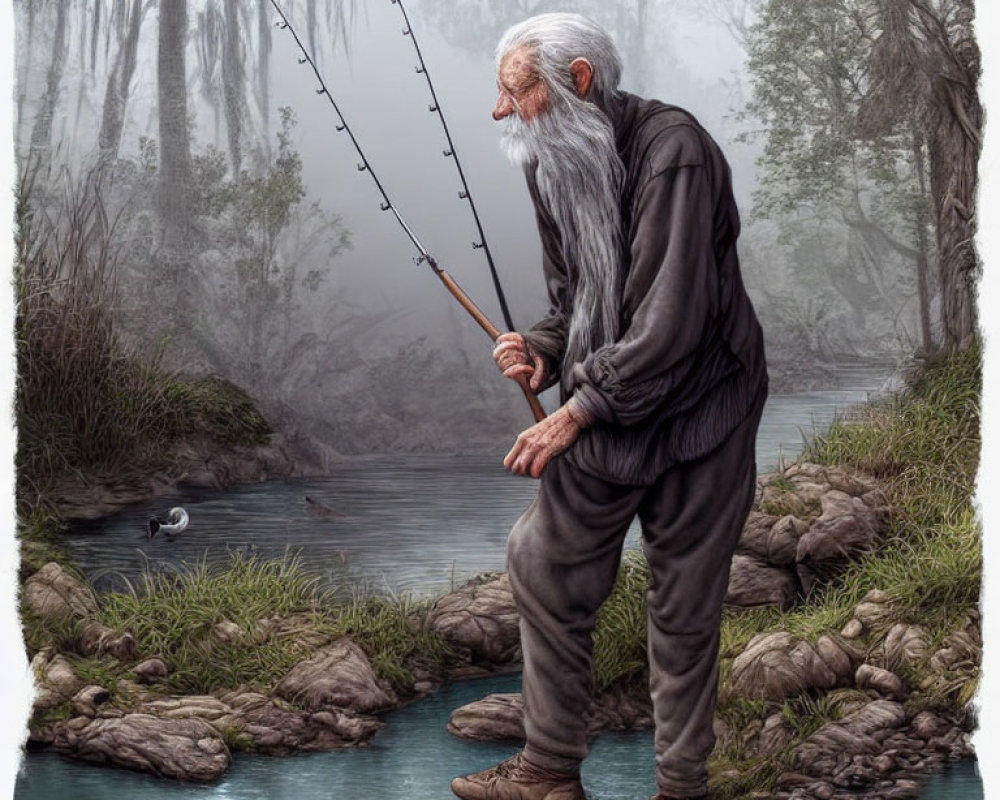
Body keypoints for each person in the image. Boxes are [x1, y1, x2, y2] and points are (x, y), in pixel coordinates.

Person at [450, 12, 768, 800]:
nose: (501, 111)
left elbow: (671, 323)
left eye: (516, 91)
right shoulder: (550, 156)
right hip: (608, 399)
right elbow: (577, 297)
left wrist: (574, 410)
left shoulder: (676, 153)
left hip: (702, 410)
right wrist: (544, 348)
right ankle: (549, 770)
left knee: (684, 603)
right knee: (544, 563)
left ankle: (681, 786)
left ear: (579, 80)